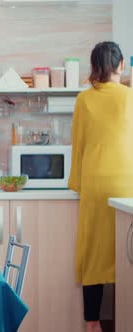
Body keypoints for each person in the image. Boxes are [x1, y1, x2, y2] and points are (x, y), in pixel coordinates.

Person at [69, 41, 133, 332]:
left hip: (95, 184)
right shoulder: (130, 97)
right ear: (121, 65)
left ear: (94, 67)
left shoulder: (85, 99)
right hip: (127, 184)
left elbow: (78, 146)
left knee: (94, 254)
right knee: (127, 253)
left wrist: (76, 184)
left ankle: (93, 325)